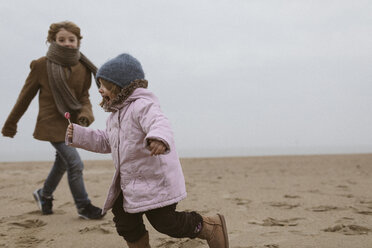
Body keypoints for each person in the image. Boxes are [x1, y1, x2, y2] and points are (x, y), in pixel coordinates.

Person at [66, 53, 229, 247]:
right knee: (125, 221)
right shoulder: (114, 117)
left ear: (120, 85)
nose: (100, 90)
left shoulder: (142, 105)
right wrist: (79, 135)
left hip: (156, 180)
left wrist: (158, 138)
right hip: (129, 181)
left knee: (165, 223)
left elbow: (158, 122)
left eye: (104, 85)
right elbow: (106, 141)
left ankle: (211, 226)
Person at [1, 21, 104, 220]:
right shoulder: (41, 65)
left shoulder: (83, 67)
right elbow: (25, 97)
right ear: (52, 41)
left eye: (71, 40)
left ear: (78, 42)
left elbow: (84, 97)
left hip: (71, 124)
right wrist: (11, 124)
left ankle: (44, 194)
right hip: (51, 122)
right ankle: (84, 206)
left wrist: (85, 114)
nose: (67, 43)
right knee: (75, 163)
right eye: (61, 39)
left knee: (63, 162)